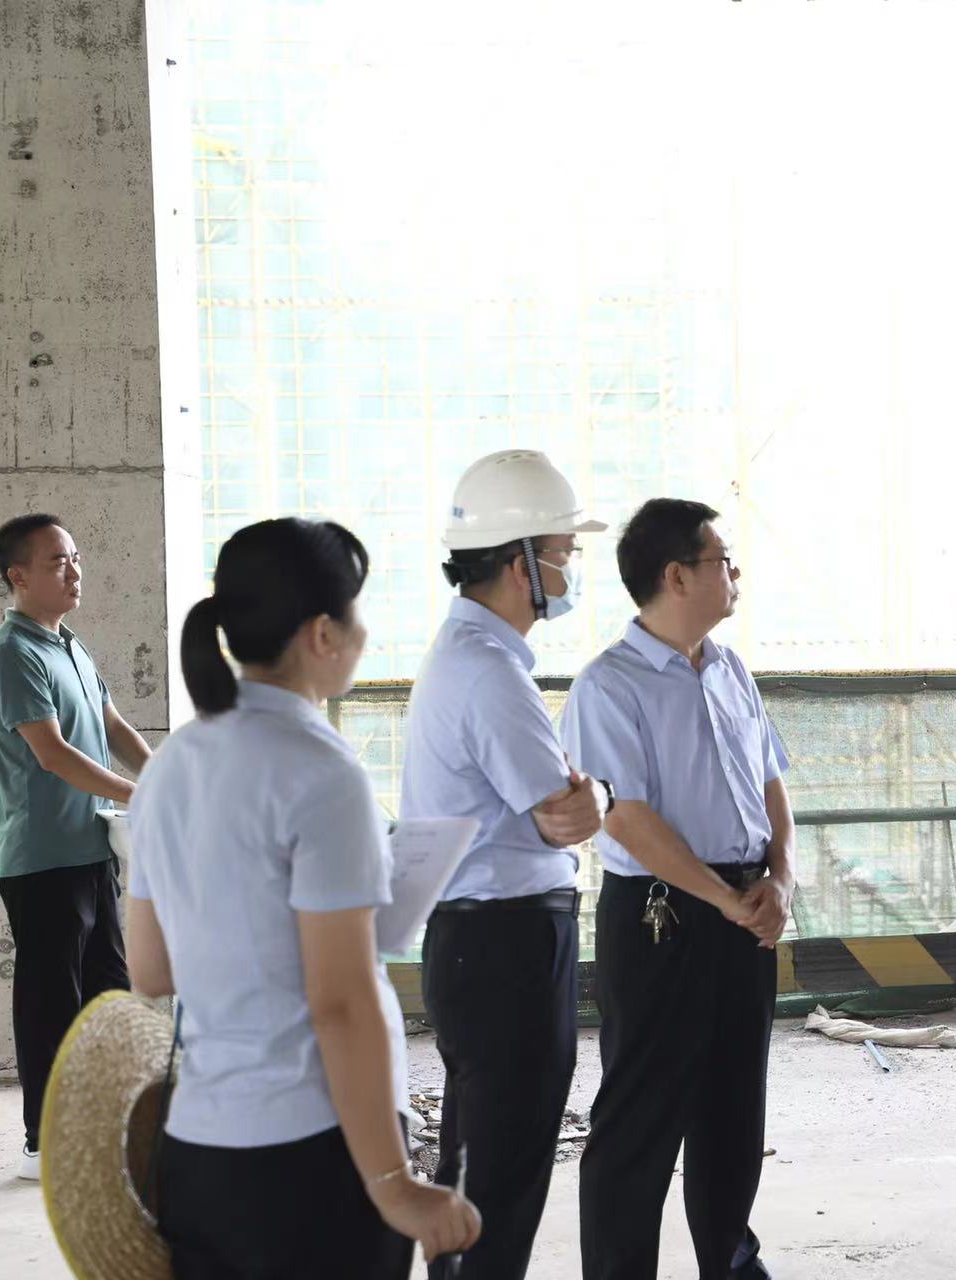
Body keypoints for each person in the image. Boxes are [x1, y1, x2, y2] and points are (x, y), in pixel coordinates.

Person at [124, 517, 480, 1278]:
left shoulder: (169, 765)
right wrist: (394, 1184)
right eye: (358, 610)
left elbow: (151, 970)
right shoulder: (321, 772)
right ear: (323, 632)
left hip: (197, 1153)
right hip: (311, 1158)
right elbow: (341, 1001)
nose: (364, 631)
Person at [564, 499, 793, 1280]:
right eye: (722, 560)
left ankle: (730, 1261)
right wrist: (723, 901)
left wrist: (779, 879)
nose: (735, 573)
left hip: (747, 908)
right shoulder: (609, 685)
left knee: (734, 1111)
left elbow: (770, 783)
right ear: (677, 575)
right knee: (641, 1119)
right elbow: (626, 818)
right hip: (660, 917)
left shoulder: (729, 669)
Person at [401, 448, 607, 1280]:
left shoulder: (471, 657)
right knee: (503, 1170)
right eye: (564, 551)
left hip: (482, 940)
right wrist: (599, 796)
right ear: (522, 565)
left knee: (479, 1161)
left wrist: (586, 796)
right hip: (506, 943)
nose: (570, 567)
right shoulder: (488, 671)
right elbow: (564, 817)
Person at [0, 514, 150, 1181]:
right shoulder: (12, 654)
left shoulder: (69, 645)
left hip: (92, 849)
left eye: (75, 557)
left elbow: (113, 727)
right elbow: (52, 754)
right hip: (44, 861)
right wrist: (138, 795)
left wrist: (160, 778)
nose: (75, 570)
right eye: (58, 561)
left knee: (108, 995)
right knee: (52, 1005)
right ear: (18, 576)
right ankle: (44, 1144)